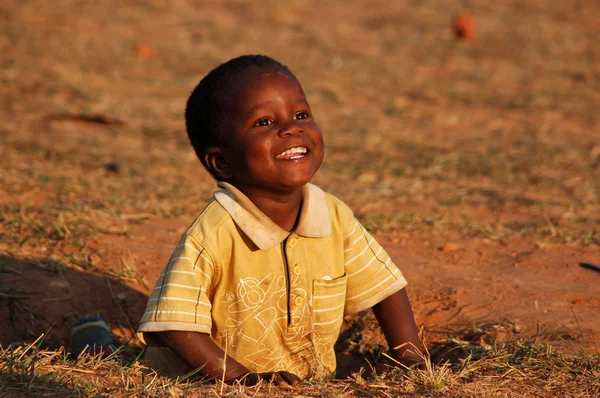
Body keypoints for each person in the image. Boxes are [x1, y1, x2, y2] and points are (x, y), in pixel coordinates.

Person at [137, 55, 423, 385]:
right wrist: (243, 380)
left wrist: (410, 355)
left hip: (301, 383)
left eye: (301, 114)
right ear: (222, 161)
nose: (291, 127)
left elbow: (384, 287)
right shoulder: (215, 231)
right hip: (204, 381)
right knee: (103, 348)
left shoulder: (333, 215)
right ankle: (93, 334)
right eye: (263, 123)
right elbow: (176, 323)